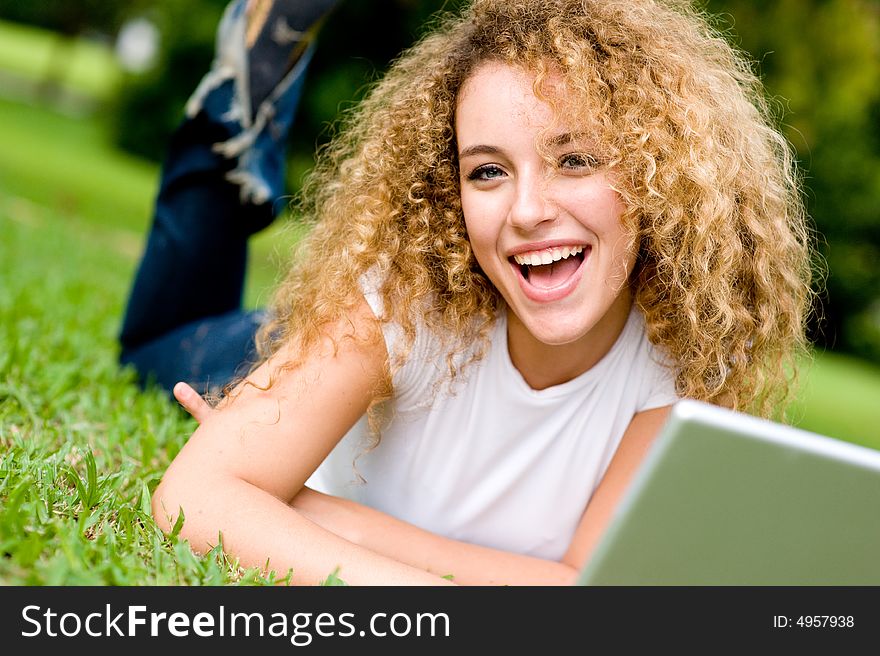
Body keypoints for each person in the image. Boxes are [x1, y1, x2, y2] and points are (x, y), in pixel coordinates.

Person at [141, 0, 814, 585]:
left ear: (658, 174)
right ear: (449, 190)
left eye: (575, 159)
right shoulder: (403, 302)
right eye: (487, 171)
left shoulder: (681, 367)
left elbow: (588, 592)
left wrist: (322, 515)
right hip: (328, 352)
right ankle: (232, 122)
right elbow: (194, 497)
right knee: (155, 346)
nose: (526, 210)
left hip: (387, 361)